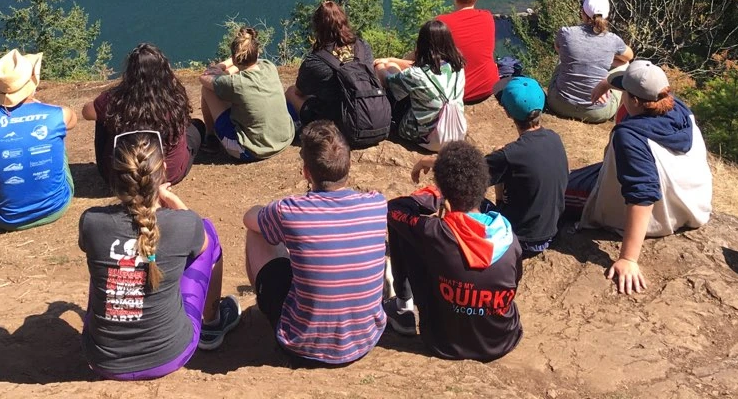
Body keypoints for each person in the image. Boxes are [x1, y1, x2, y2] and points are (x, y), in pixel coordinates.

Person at [79, 131, 241, 380]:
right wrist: (174, 203)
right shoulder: (184, 223)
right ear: (163, 170)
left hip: (102, 360)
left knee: (106, 263)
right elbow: (202, 242)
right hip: (170, 354)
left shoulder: (91, 221)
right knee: (206, 232)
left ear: (115, 174)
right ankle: (212, 321)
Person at [243, 120, 387, 366]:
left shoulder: (288, 210)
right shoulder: (377, 203)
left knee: (256, 233)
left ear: (306, 172)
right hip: (365, 339)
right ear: (349, 165)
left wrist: (268, 213)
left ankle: (267, 308)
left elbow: (249, 218)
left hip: (301, 345)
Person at [564, 60, 713, 295]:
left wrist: (628, 258)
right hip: (693, 205)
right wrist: (606, 83)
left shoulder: (631, 136)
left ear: (633, 100)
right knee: (588, 172)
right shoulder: (680, 109)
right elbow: (641, 82)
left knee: (555, 188)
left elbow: (642, 194)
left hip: (660, 215)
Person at [385, 140, 523, 362]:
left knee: (406, 232)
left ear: (445, 200)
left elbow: (393, 210)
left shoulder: (433, 233)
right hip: (501, 341)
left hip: (443, 344)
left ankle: (403, 307)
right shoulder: (508, 236)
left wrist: (435, 193)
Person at [412, 75, 568, 256]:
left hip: (519, 240)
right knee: (500, 158)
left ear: (508, 113)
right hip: (549, 233)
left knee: (459, 197)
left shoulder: (510, 155)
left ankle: (445, 246)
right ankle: (501, 205)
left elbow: (461, 172)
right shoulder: (554, 138)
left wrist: (428, 161)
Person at [0, 48, 76, 230]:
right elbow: (72, 122)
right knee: (57, 133)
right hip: (56, 206)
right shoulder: (60, 114)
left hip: (7, 218)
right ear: (32, 82)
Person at [82, 43, 203, 187]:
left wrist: (107, 104)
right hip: (167, 174)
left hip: (121, 177)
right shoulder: (175, 96)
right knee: (196, 126)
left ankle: (111, 161)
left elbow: (86, 113)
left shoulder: (114, 100)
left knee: (103, 118)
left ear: (130, 73)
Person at [199, 26, 293, 161]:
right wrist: (230, 68)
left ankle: (210, 136)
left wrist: (221, 67)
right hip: (284, 138)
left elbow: (204, 77)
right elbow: (246, 66)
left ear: (234, 59)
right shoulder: (269, 66)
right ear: (257, 53)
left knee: (207, 90)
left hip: (252, 151)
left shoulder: (236, 83)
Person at [375, 19, 466, 150]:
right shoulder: (458, 65)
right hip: (456, 132)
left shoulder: (417, 74)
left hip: (428, 137)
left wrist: (379, 64)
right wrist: (391, 60)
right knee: (397, 71)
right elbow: (416, 67)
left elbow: (387, 81)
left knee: (394, 79)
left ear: (422, 44)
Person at [286, 0, 378, 129]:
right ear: (344, 22)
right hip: (371, 116)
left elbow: (299, 91)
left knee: (291, 92)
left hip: (342, 126)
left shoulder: (315, 61)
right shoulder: (363, 46)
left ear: (318, 27)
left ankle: (294, 127)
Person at [546, 0, 634, 123]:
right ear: (606, 16)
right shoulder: (613, 40)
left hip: (559, 104)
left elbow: (558, 48)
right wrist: (606, 57)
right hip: (597, 112)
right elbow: (629, 56)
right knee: (625, 64)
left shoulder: (566, 33)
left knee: (564, 57)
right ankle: (617, 116)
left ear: (582, 13)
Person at [437, 0, 499, 104]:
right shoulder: (487, 16)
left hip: (457, 92)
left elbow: (419, 57)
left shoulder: (441, 23)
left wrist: (393, 60)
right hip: (488, 86)